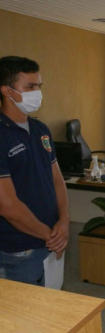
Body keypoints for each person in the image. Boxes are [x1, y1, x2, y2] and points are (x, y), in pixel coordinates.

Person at [0, 56, 70, 286]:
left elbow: (57, 181)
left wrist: (64, 221)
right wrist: (50, 235)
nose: (37, 92)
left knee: (50, 310)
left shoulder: (40, 128)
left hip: (50, 241)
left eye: (39, 85)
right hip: (19, 249)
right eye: (30, 87)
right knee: (20, 318)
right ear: (7, 91)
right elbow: (8, 206)